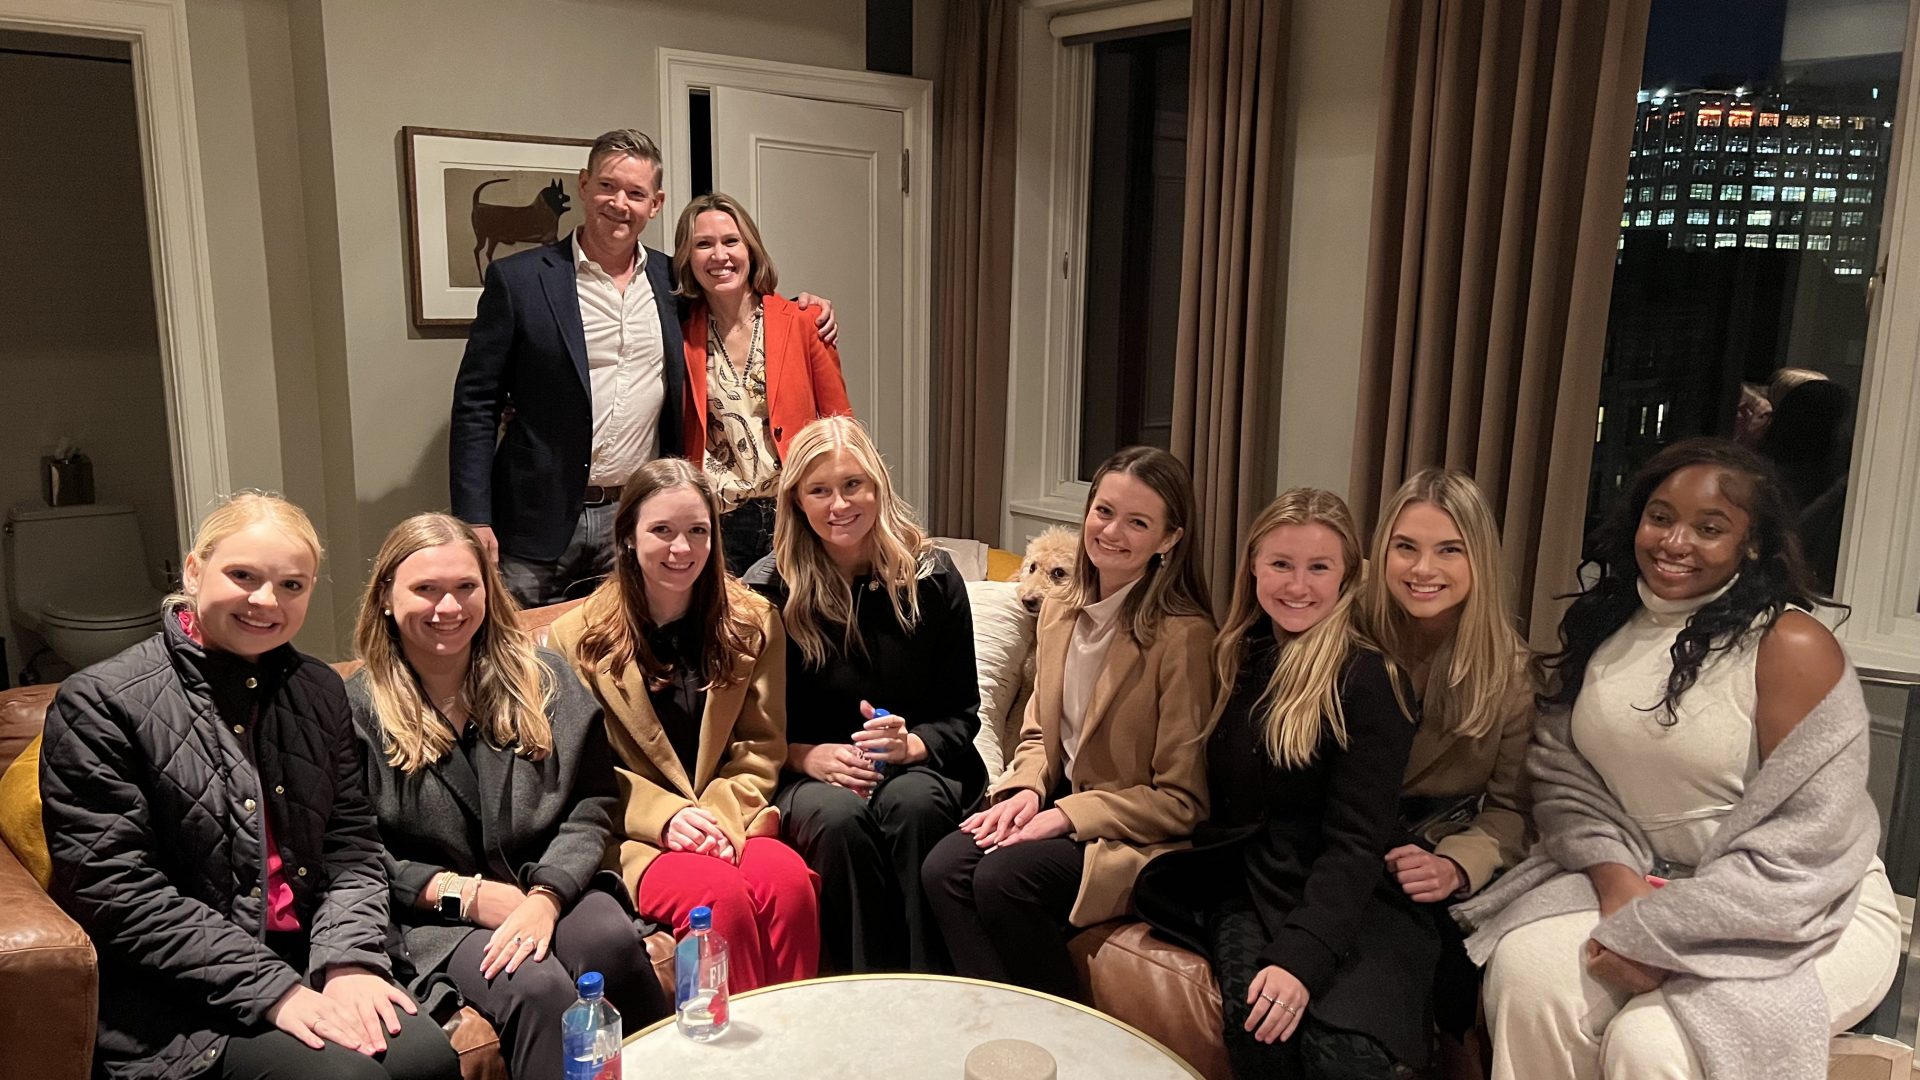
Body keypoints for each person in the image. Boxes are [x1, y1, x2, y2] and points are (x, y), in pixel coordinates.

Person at [1458, 439, 1900, 1080]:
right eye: (1660, 517)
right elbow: (1565, 781)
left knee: (1652, 1042)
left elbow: (1806, 841)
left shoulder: (1791, 644)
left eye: (1709, 528)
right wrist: (1622, 889)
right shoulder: (1607, 628)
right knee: (1527, 977)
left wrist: (1662, 934)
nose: (1674, 541)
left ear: (1752, 544)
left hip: (1801, 905)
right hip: (1647, 883)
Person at [38, 493, 460, 1080]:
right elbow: (116, 891)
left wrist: (348, 962)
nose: (266, 601)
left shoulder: (319, 690)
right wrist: (273, 990)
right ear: (194, 571)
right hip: (178, 993)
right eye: (243, 576)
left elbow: (352, 849)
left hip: (310, 956)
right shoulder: (102, 703)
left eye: (292, 585)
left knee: (427, 1058)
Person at [450, 128, 837, 606]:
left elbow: (738, 304)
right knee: (522, 646)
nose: (619, 203)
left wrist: (805, 308)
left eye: (635, 193)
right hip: (535, 522)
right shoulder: (519, 279)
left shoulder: (671, 280)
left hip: (639, 519)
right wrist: (474, 516)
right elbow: (476, 404)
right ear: (584, 185)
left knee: (632, 643)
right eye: (608, 186)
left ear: (655, 205)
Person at [346, 513, 668, 1080]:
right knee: (534, 984)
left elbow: (591, 805)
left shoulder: (544, 678)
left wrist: (547, 895)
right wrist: (465, 897)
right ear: (387, 599)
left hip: (551, 881)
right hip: (436, 918)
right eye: (425, 589)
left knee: (611, 944)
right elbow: (357, 850)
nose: (449, 607)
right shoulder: (353, 710)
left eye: (465, 586)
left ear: (488, 592)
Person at [1133, 489, 1435, 1080]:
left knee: (1345, 1059)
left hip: (1348, 892)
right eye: (1280, 564)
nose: (1298, 585)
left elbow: (1357, 843)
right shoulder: (1236, 656)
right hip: (1249, 883)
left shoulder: (1369, 678)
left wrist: (1302, 955)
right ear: (1253, 567)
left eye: (1318, 567)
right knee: (1260, 1031)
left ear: (1347, 575)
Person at [922, 446, 1216, 1001]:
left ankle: (1064, 1030)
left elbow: (1182, 801)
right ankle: (996, 1020)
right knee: (943, 868)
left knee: (1005, 880)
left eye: (1138, 522)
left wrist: (1066, 816)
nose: (1112, 532)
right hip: (1060, 802)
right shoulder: (1060, 610)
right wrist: (1026, 788)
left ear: (1170, 538)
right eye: (1104, 511)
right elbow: (1037, 735)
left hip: (1132, 836)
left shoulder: (1185, 638)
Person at [547, 457, 820, 991]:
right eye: (662, 531)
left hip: (728, 817)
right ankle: (731, 1043)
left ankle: (796, 1034)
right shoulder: (574, 638)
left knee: (789, 885)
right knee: (720, 899)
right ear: (628, 537)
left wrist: (714, 818)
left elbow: (761, 745)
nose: (682, 549)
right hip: (635, 834)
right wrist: (667, 818)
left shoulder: (753, 620)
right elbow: (580, 770)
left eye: (698, 531)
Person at [742, 416, 982, 973]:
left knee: (913, 806)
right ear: (796, 501)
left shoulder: (931, 576)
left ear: (878, 486)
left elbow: (962, 711)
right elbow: (745, 726)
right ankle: (861, 993)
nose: (840, 505)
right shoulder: (767, 589)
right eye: (819, 491)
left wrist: (913, 745)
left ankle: (930, 987)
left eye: (853, 485)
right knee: (838, 819)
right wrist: (804, 756)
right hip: (806, 772)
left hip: (918, 766)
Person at [1359, 468, 1533, 1064]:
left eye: (1449, 550)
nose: (1423, 569)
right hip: (1340, 838)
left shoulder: (1509, 671)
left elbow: (1513, 810)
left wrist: (1456, 865)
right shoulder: (1346, 630)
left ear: (1478, 558)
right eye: (1405, 547)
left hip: (1430, 847)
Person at [674, 193, 853, 574]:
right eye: (703, 244)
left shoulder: (804, 322)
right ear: (687, 258)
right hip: (718, 522)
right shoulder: (679, 333)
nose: (719, 255)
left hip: (795, 514)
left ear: (751, 249)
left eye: (731, 241)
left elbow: (841, 427)